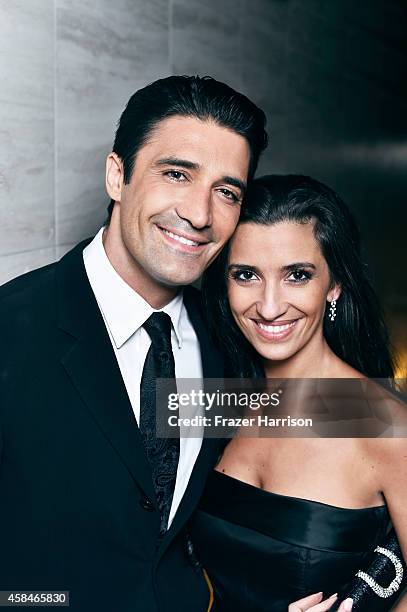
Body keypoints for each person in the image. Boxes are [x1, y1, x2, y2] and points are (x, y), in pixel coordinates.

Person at [0, 76, 268, 612]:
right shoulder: (11, 329)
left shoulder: (232, 342)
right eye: (176, 174)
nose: (199, 214)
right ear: (117, 176)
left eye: (227, 192)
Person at [190, 174, 407, 611]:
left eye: (297, 275)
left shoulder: (385, 426)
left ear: (334, 285)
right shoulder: (215, 398)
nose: (269, 306)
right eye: (247, 275)